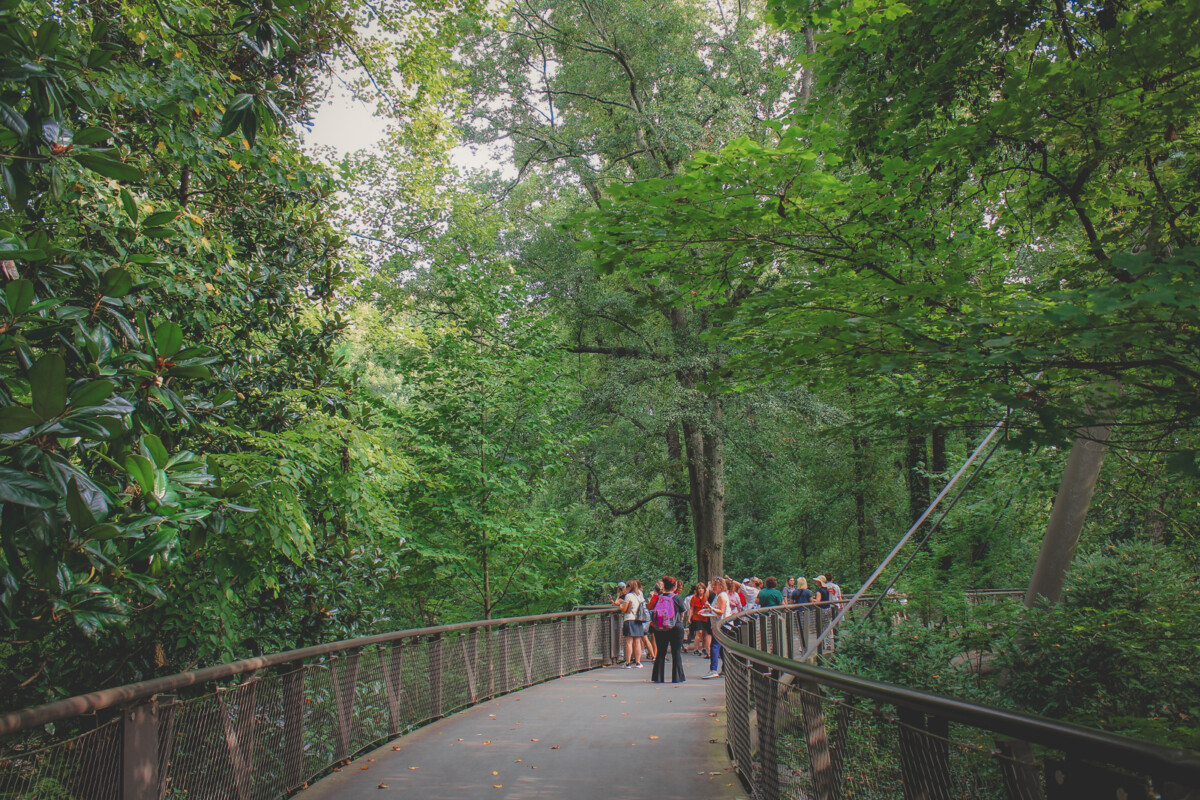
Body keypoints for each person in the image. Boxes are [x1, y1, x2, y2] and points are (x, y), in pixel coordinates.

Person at [649, 575, 687, 683]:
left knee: (661, 652)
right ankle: (677, 677)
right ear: (674, 586)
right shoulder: (677, 598)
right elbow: (682, 613)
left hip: (660, 627)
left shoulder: (658, 597)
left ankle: (658, 677)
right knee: (676, 652)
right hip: (675, 627)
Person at [702, 577, 733, 679]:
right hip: (719, 624)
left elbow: (721, 611)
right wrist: (707, 610)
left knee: (715, 645)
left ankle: (713, 669)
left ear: (721, 586)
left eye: (715, 585)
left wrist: (710, 608)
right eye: (713, 585)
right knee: (721, 647)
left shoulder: (722, 596)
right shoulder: (718, 595)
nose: (713, 587)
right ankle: (725, 669)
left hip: (722, 625)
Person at [615, 579, 645, 667]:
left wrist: (620, 606)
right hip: (638, 619)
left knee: (629, 642)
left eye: (627, 586)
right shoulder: (640, 595)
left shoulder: (628, 596)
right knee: (637, 641)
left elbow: (625, 609)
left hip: (629, 619)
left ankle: (628, 663)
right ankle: (638, 662)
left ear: (630, 587)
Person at [687, 582, 710, 657]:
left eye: (702, 588)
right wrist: (689, 618)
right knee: (699, 632)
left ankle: (704, 648)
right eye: (699, 588)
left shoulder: (706, 597)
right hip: (697, 617)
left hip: (705, 617)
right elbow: (691, 609)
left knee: (705, 633)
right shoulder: (694, 598)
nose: (701, 590)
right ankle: (696, 649)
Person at [636, 580, 656, 661]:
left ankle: (637, 659)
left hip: (642, 619)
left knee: (641, 638)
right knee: (643, 638)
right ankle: (652, 655)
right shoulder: (640, 594)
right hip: (644, 618)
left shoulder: (637, 594)